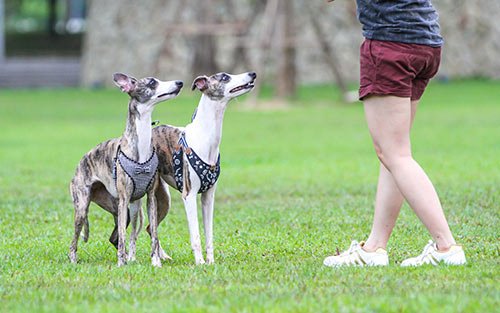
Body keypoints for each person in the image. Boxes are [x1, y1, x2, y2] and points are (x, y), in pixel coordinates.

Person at [323, 0, 466, 267]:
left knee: (395, 154)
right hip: (425, 39)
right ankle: (375, 248)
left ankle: (446, 246)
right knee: (393, 153)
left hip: (390, 43)